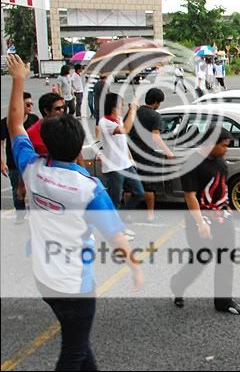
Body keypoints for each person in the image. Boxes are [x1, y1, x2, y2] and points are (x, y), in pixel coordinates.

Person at [5, 53, 143, 371]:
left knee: (78, 341)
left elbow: (14, 124)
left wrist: (19, 79)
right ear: (79, 145)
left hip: (44, 278)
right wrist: (135, 267)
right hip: (75, 284)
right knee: (74, 352)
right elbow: (116, 236)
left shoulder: (31, 168)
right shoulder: (88, 187)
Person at [170, 127, 240, 315]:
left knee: (226, 258)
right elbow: (190, 196)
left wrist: (227, 208)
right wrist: (201, 223)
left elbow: (222, 186)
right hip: (200, 219)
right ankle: (178, 284)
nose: (226, 150)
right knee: (202, 258)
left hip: (221, 217)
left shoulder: (219, 161)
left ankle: (223, 301)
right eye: (224, 145)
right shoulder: (192, 163)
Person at [99, 93, 144, 240]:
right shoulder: (105, 123)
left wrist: (131, 159)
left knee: (139, 192)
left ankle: (119, 223)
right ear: (114, 107)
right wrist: (133, 110)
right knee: (115, 200)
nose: (124, 107)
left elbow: (123, 142)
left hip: (126, 165)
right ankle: (115, 230)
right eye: (122, 104)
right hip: (114, 168)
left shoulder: (117, 120)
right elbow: (125, 131)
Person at [129, 88, 174, 223]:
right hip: (146, 155)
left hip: (130, 153)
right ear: (156, 102)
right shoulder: (155, 116)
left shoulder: (134, 112)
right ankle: (150, 214)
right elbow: (156, 138)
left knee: (129, 186)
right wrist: (168, 152)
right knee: (149, 187)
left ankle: (128, 214)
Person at [0, 92, 39, 224]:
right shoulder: (6, 122)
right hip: (14, 163)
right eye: (27, 104)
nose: (30, 107)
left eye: (31, 104)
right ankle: (20, 217)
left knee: (34, 191)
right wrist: (2, 162)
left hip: (33, 163)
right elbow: (1, 142)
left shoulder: (34, 119)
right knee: (17, 191)